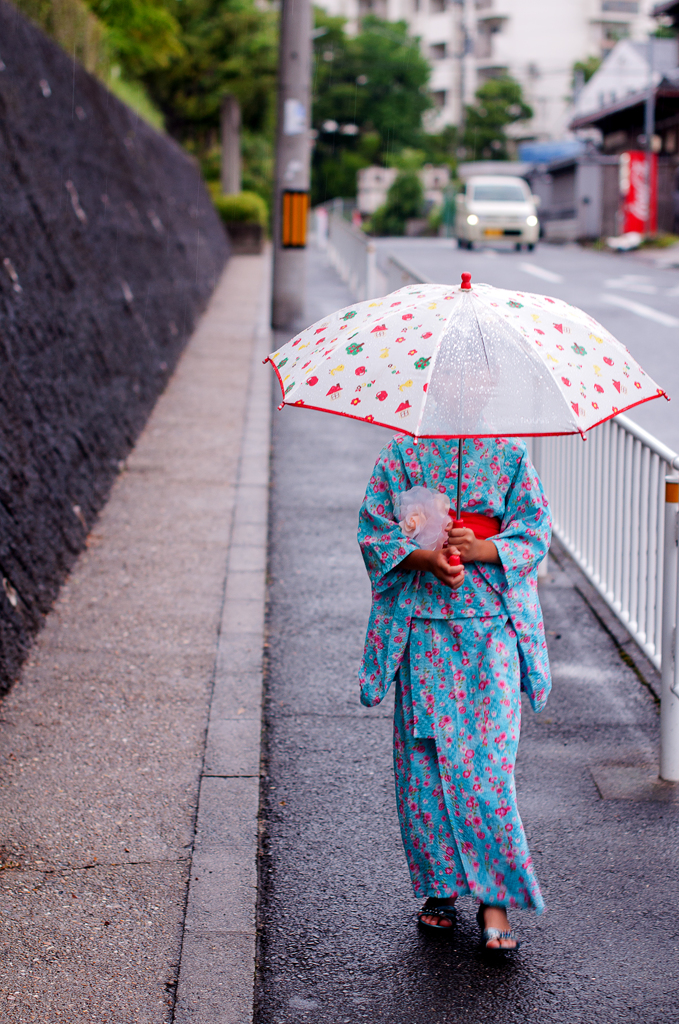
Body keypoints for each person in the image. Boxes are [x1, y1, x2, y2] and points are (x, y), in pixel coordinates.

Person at [357, 434, 552, 952]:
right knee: (424, 766)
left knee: (488, 766)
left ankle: (494, 897)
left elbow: (535, 532)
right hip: (425, 627)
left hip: (491, 629)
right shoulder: (401, 456)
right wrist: (426, 559)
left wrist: (484, 548)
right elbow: (373, 531)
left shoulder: (510, 459)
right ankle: (439, 889)